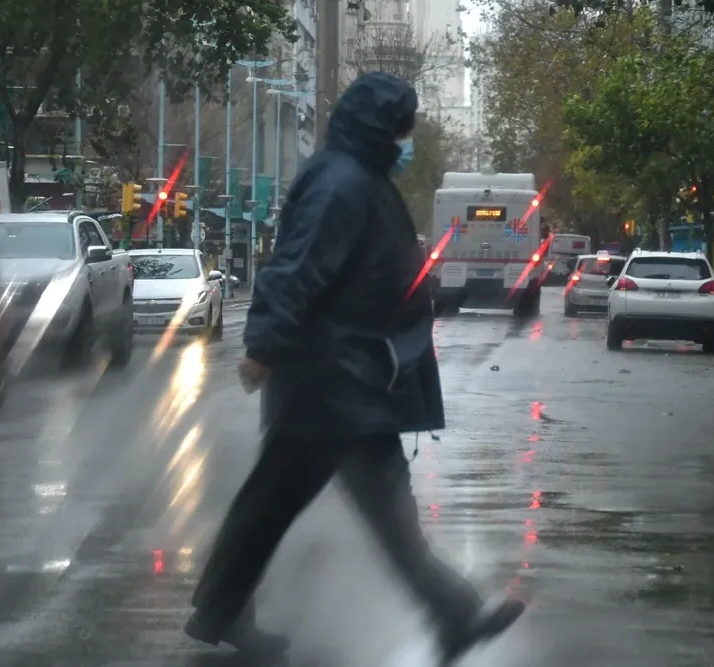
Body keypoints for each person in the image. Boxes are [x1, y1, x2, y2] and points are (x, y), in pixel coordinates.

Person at [184, 72, 525, 665]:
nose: (406, 141)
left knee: (294, 506)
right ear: (380, 127)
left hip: (351, 380)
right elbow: (297, 265)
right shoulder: (343, 183)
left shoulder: (360, 179)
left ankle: (452, 617)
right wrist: (264, 344)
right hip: (332, 384)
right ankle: (455, 616)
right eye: (401, 129)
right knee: (302, 507)